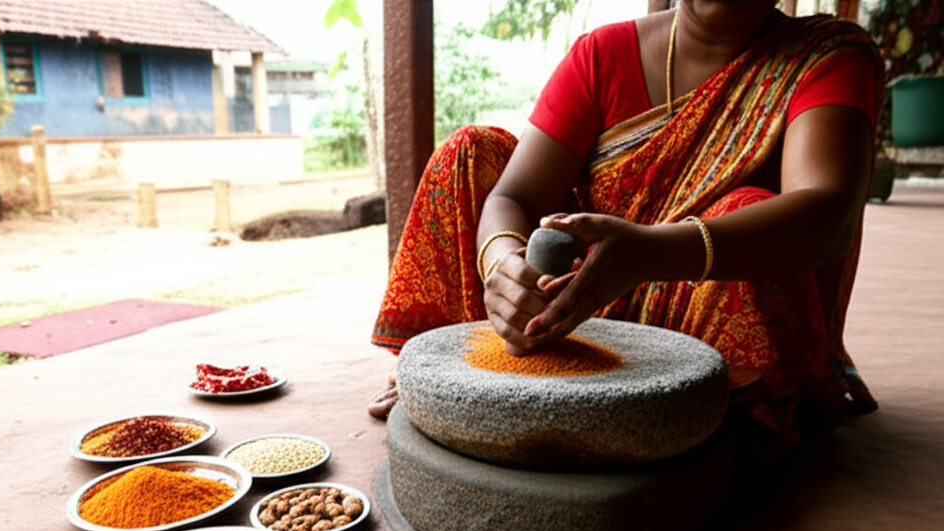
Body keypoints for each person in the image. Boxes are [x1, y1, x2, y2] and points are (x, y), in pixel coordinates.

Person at [369, 0, 884, 460]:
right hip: (577, 305)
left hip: (705, 325)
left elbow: (827, 218)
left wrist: (648, 255)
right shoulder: (603, 55)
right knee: (469, 151)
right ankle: (446, 371)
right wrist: (503, 265)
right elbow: (513, 197)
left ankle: (724, 425)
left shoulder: (826, 57)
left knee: (745, 208)